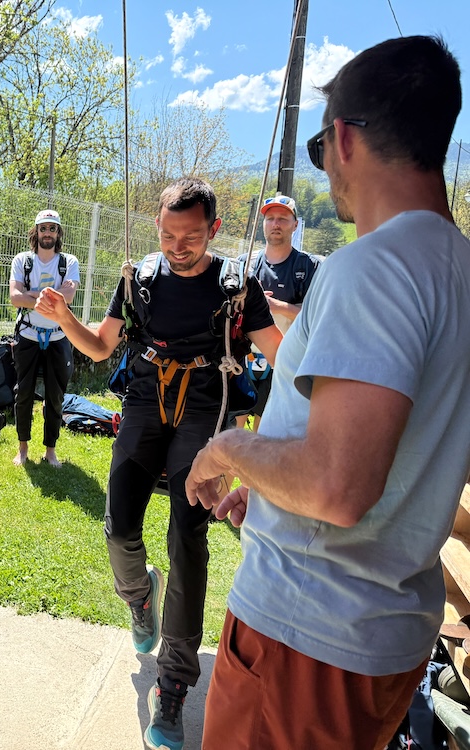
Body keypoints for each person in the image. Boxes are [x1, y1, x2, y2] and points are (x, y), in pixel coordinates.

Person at [186, 36, 470, 750]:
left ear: (343, 138)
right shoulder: (457, 271)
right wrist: (278, 488)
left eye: (320, 150)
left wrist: (230, 447)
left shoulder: (371, 269)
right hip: (386, 633)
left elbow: (339, 487)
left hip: (305, 639)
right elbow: (405, 454)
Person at [35, 178, 281, 750]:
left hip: (204, 406)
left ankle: (173, 684)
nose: (178, 246)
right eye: (168, 234)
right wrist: (64, 317)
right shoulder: (138, 278)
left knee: (187, 537)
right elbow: (99, 346)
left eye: (191, 236)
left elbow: (280, 353)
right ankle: (140, 597)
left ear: (213, 231)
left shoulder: (237, 287)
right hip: (146, 404)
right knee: (120, 528)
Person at [235, 194, 321, 430]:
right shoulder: (245, 264)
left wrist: (275, 306)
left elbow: (316, 316)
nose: (275, 224)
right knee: (233, 432)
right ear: (262, 224)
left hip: (283, 361)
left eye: (283, 218)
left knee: (265, 434)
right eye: (270, 218)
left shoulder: (308, 266)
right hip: (243, 357)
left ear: (295, 224)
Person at [9, 209, 80, 467]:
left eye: (52, 228)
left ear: (58, 233)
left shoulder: (68, 262)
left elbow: (69, 297)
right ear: (35, 232)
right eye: (43, 228)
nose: (47, 233)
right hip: (27, 335)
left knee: (55, 395)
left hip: (59, 336)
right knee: (24, 393)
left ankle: (50, 450)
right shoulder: (22, 260)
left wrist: (33, 295)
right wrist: (50, 297)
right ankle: (23, 448)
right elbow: (15, 297)